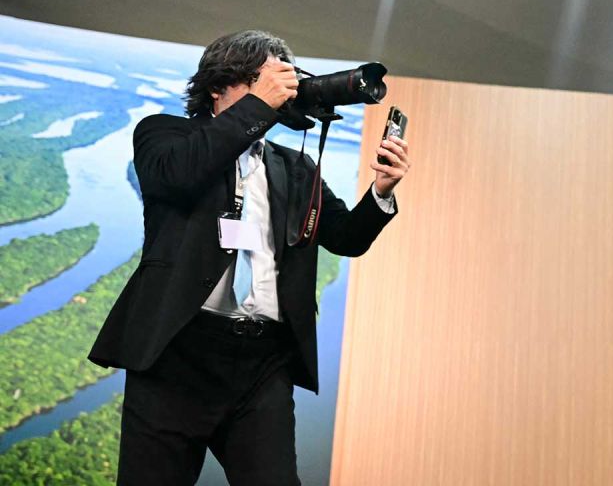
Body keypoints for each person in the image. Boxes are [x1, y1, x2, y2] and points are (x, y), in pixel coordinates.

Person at [89, 31, 410, 485]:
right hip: (177, 351)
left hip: (264, 362)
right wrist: (257, 107)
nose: (279, 94)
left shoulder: (293, 166)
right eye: (265, 81)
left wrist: (381, 192)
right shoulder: (165, 134)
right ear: (219, 86)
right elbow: (178, 177)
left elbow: (345, 238)